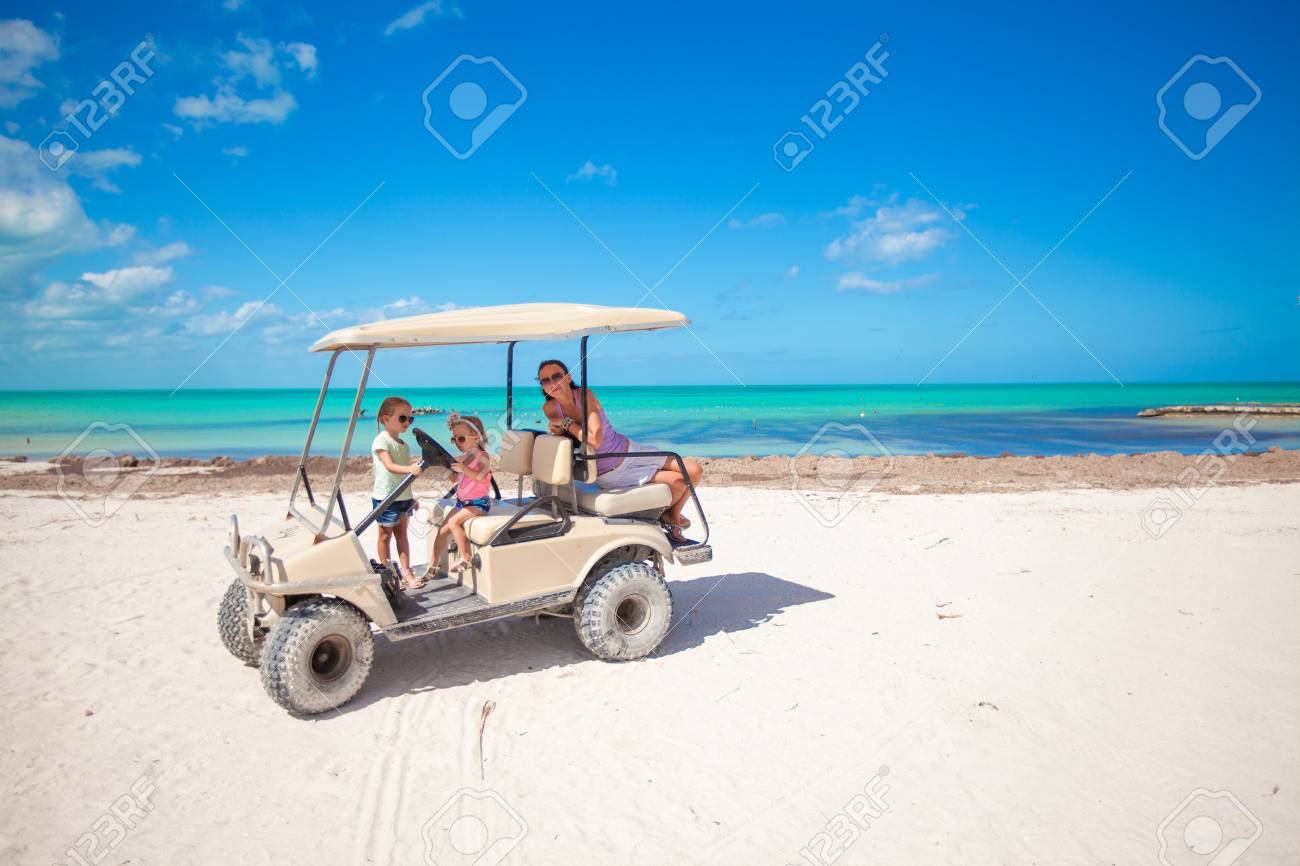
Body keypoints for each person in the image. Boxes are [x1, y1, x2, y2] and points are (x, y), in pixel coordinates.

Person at [537, 359, 703, 542]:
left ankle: (672, 515)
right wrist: (561, 428)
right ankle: (671, 518)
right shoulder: (550, 408)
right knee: (679, 483)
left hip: (629, 449)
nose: (552, 383)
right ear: (542, 386)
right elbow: (592, 443)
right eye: (545, 380)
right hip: (611, 472)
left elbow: (595, 438)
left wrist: (567, 424)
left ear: (568, 378)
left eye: (557, 376)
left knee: (694, 470)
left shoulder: (585, 394)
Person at [371, 396, 424, 590]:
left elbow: (403, 475)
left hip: (403, 496)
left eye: (410, 419)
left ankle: (406, 571)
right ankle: (389, 574)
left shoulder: (404, 445)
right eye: (403, 418)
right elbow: (390, 466)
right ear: (386, 419)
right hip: (386, 497)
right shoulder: (381, 441)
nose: (407, 422)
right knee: (385, 536)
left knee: (402, 535)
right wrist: (410, 469)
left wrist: (411, 496)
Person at [431, 413, 493, 575]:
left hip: (478, 503)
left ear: (477, 437)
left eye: (461, 439)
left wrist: (463, 468)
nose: (457, 443)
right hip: (461, 502)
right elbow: (454, 478)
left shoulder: (483, 456)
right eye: (454, 439)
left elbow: (481, 476)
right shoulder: (464, 458)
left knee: (453, 523)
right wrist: (444, 464)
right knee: (442, 530)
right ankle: (433, 565)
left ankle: (465, 558)